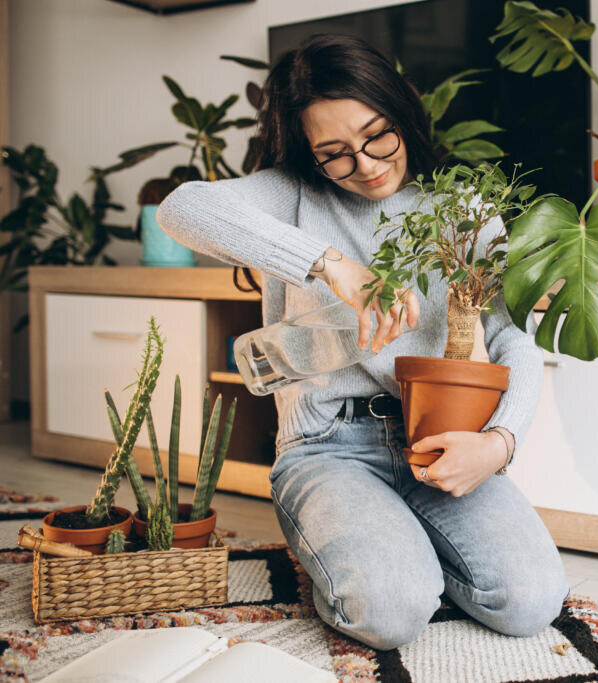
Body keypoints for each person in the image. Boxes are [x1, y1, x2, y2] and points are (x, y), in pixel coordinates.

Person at [156, 33, 569, 650]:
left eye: (377, 135)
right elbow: (182, 208)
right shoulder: (292, 193)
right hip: (329, 445)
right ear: (309, 152)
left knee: (530, 602)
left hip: (440, 439)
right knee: (392, 613)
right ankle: (366, 545)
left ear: (400, 111)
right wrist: (330, 266)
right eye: (337, 152)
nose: (367, 164)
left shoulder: (461, 206)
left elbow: (511, 335)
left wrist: (498, 443)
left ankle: (394, 539)